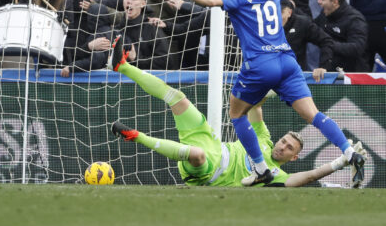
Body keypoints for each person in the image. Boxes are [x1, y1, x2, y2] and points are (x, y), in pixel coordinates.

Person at [165, 0, 365, 187]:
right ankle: (350, 152)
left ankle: (260, 168)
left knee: (237, 115)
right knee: (314, 115)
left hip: (260, 64)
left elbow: (210, 1)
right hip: (287, 61)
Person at [109, 39, 368, 187]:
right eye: (284, 141)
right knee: (176, 98)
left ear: (294, 157)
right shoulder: (263, 138)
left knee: (197, 155)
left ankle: (136, 137)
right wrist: (281, 89)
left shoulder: (276, 175)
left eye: (289, 148)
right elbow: (255, 105)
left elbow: (309, 176)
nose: (282, 146)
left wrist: (338, 164)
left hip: (208, 170)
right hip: (208, 139)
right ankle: (122, 66)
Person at [314, 0, 370, 73]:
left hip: (351, 75)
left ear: (335, 2)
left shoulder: (355, 20)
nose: (318, 1)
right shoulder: (325, 14)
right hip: (329, 71)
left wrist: (329, 44)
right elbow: (311, 29)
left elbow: (357, 48)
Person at [280, 0, 334, 75]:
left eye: (280, 13)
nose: (276, 17)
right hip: (269, 74)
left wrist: (323, 66)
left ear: (289, 12)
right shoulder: (263, 24)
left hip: (296, 76)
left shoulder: (302, 23)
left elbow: (326, 41)